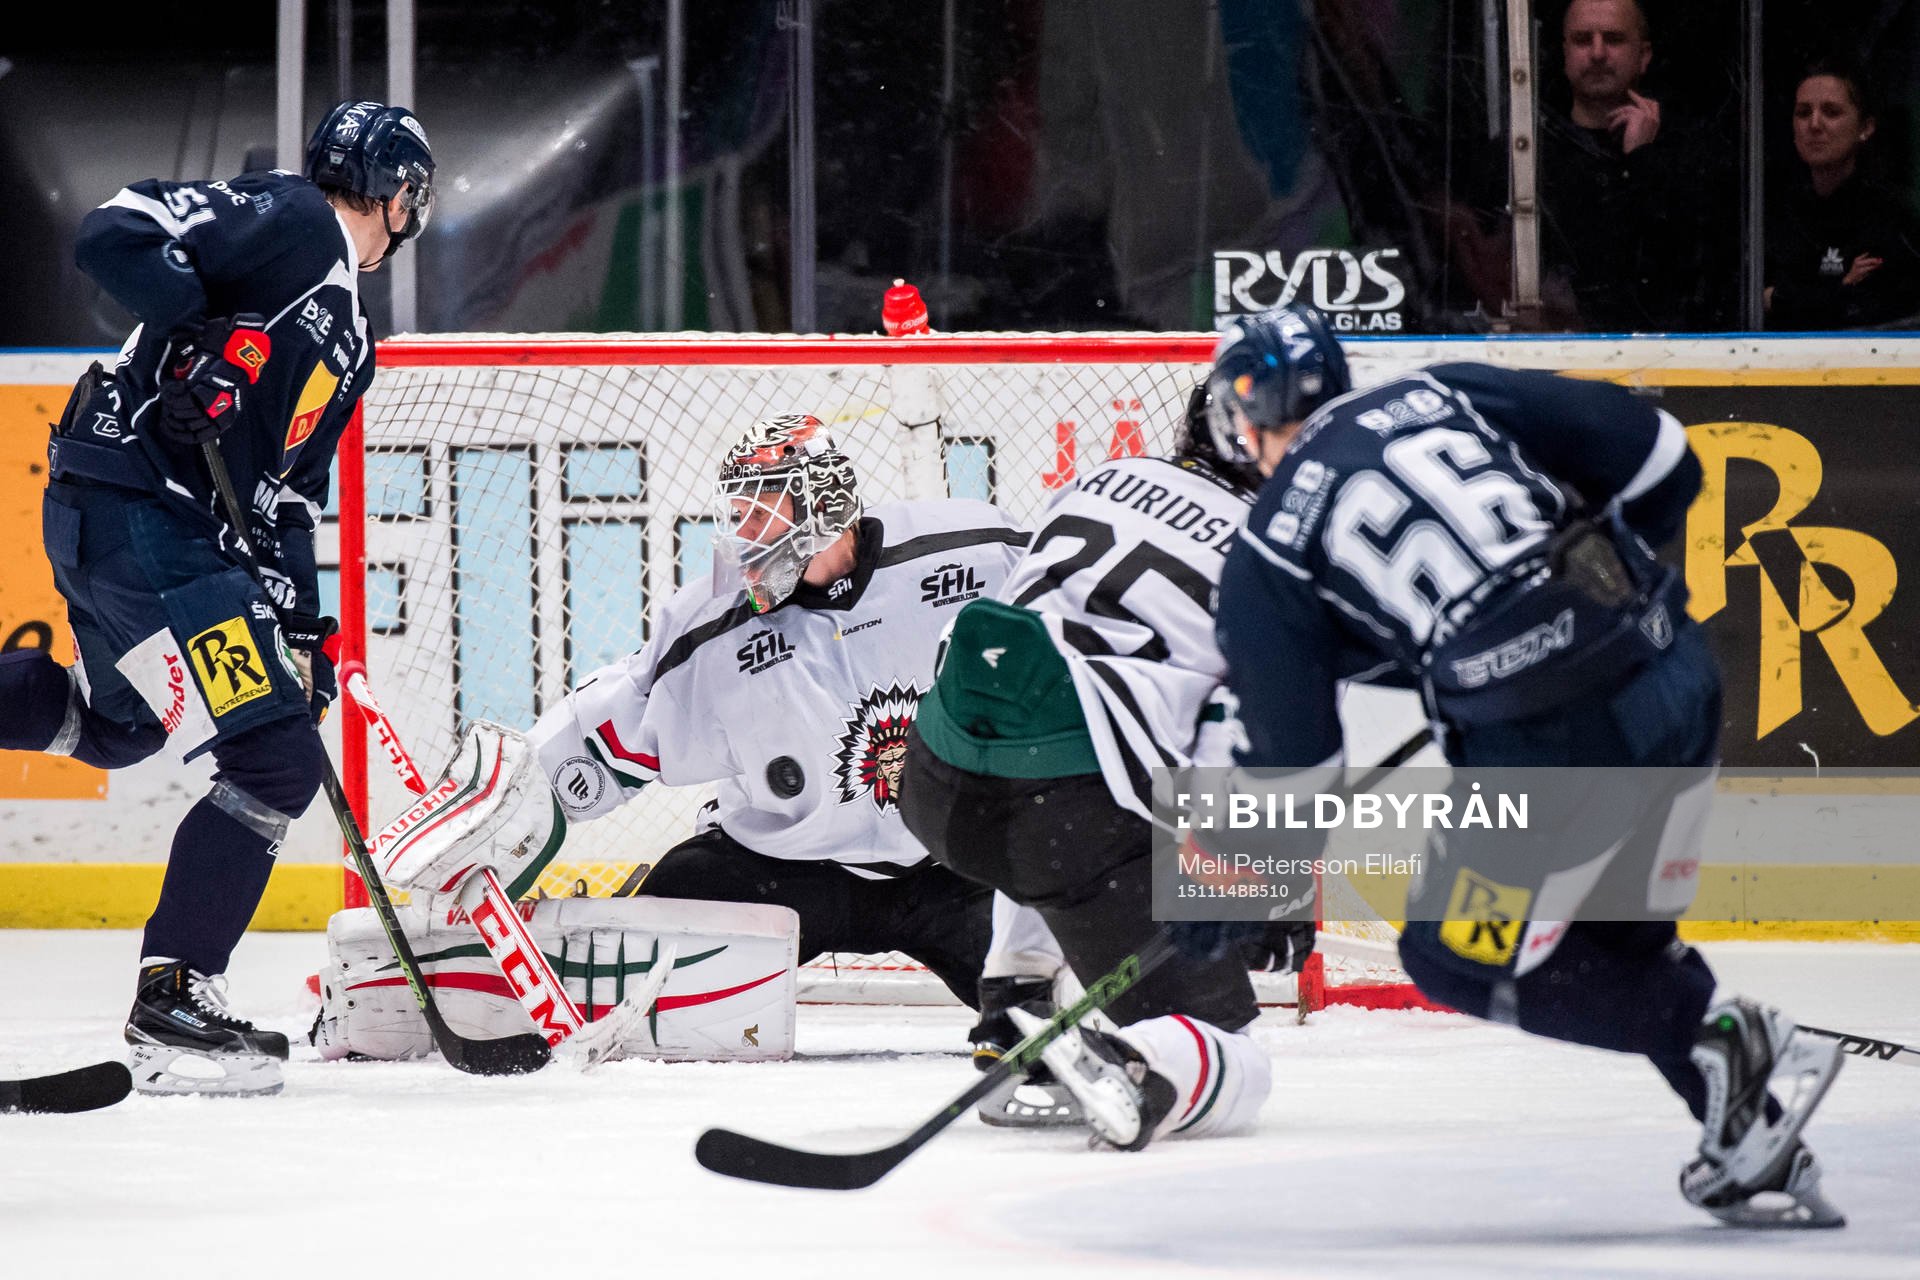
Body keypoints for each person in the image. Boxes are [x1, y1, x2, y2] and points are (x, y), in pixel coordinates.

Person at [1182, 304, 1846, 1227]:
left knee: (1448, 951)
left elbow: (1296, 769)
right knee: (1616, 943)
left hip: (1550, 745)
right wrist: (1577, 597)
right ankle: (1751, 1136)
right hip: (1675, 672)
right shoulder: (1442, 390)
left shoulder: (1267, 553)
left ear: (1240, 420)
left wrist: (1226, 886)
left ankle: (1728, 1038)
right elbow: (1665, 458)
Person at [0, 101, 434, 1096]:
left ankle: (177, 988)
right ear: (400, 194)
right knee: (274, 756)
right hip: (147, 514)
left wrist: (301, 624)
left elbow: (285, 498)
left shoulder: (350, 342)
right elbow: (116, 228)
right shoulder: (291, 220)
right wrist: (198, 328)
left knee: (117, 724)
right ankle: (176, 998)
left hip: (133, 526)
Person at [375, 414, 1034, 1017]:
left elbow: (1075, 639)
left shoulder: (974, 555)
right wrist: (491, 811)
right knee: (643, 966)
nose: (742, 535)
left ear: (826, 505)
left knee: (1071, 1002)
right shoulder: (714, 628)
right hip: (787, 873)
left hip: (949, 867)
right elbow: (605, 731)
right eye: (738, 513)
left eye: (760, 512)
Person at [897, 384, 1285, 1148]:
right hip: (1065, 822)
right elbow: (1236, 733)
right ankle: (1137, 1063)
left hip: (935, 775)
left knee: (1049, 738)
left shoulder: (1106, 478)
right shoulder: (1270, 559)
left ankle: (1016, 997)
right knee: (1242, 1056)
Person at [1538, 0, 1718, 331]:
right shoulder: (1531, 154)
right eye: (1582, 40)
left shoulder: (1686, 153)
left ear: (1644, 55)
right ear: (1564, 54)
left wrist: (1642, 159)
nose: (1597, 53)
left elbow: (1685, 270)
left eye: (1613, 39)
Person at [1767, 61, 1920, 330]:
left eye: (1831, 112)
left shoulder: (1893, 215)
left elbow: (1873, 312)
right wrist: (1842, 286)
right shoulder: (1772, 211)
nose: (1814, 124)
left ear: (1866, 127)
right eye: (1803, 113)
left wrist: (1785, 298)